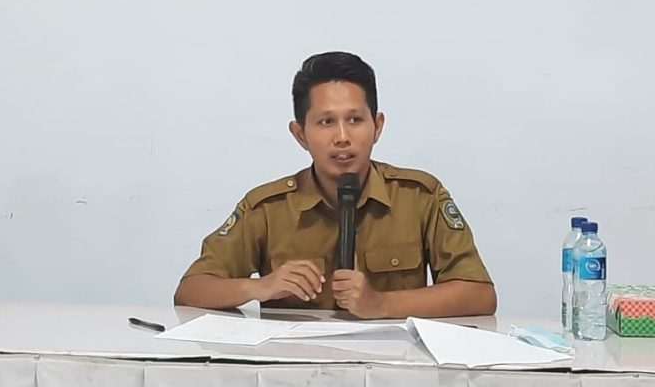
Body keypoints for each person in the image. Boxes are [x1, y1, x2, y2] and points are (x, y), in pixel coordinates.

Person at [174, 52, 496, 318]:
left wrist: (381, 304)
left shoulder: (419, 196)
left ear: (377, 126)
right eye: (326, 122)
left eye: (355, 120)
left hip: (395, 366)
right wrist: (259, 287)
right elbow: (190, 290)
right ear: (300, 134)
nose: (342, 137)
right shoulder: (268, 208)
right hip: (297, 368)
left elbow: (479, 294)